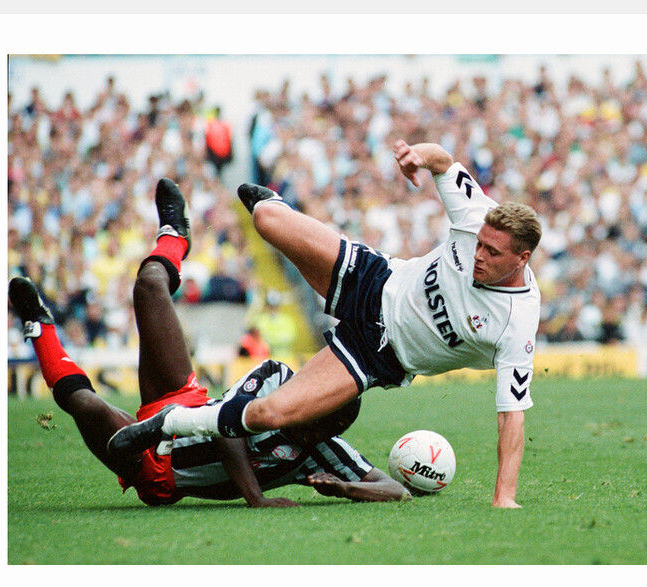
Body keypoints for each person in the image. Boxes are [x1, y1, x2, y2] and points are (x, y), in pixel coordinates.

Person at [113, 141, 542, 508]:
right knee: (265, 220)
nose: (478, 255)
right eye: (479, 244)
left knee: (267, 413)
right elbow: (443, 161)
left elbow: (513, 417)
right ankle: (270, 204)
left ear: (522, 259)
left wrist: (504, 496)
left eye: (492, 253)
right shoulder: (476, 213)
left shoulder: (516, 323)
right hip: (374, 282)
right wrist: (418, 156)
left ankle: (168, 424)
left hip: (374, 355)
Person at [8, 178, 409, 507]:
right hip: (187, 404)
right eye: (318, 421)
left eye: (327, 430)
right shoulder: (276, 378)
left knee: (83, 403)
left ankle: (40, 328)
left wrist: (346, 487)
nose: (314, 435)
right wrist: (256, 499)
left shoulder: (323, 451)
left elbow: (394, 490)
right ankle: (174, 236)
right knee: (148, 286)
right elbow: (226, 430)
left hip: (157, 471)